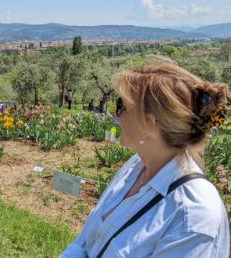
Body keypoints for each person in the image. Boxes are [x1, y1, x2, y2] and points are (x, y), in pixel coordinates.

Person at [60, 64, 230, 258]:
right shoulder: (135, 167)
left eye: (121, 106)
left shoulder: (192, 217)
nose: (117, 115)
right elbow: (84, 244)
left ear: (149, 124)